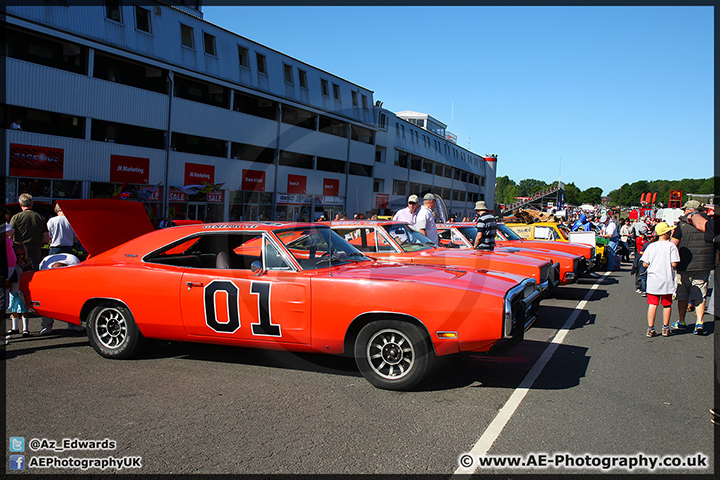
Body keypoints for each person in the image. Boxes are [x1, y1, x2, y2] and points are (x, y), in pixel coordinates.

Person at [670, 200, 716, 335]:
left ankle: (682, 321)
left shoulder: (681, 225)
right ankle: (699, 322)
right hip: (704, 263)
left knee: (682, 294)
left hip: (685, 264)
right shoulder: (710, 225)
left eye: (685, 209)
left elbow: (673, 245)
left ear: (690, 210)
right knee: (700, 294)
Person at [640, 222, 680, 337]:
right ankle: (665, 328)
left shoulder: (651, 246)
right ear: (666, 233)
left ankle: (650, 328)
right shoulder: (671, 246)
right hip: (666, 278)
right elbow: (674, 263)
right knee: (667, 304)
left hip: (653, 279)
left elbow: (645, 264)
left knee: (652, 304)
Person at [38, 253, 83, 335]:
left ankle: (73, 324)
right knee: (46, 302)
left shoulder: (74, 264)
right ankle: (46, 326)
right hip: (48, 281)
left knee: (72, 301)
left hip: (69, 281)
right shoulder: (45, 266)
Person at [9, 193, 50, 270]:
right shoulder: (40, 218)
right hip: (35, 252)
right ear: (32, 203)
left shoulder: (16, 218)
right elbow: (46, 239)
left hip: (19, 253)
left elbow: (9, 237)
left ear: (20, 204)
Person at [7, 243, 33, 337]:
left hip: (22, 289)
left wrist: (22, 266)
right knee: (13, 309)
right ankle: (15, 327)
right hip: (13, 288)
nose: (20, 256)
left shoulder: (26, 262)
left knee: (24, 309)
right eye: (18, 255)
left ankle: (25, 329)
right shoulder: (11, 263)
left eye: (22, 254)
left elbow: (30, 272)